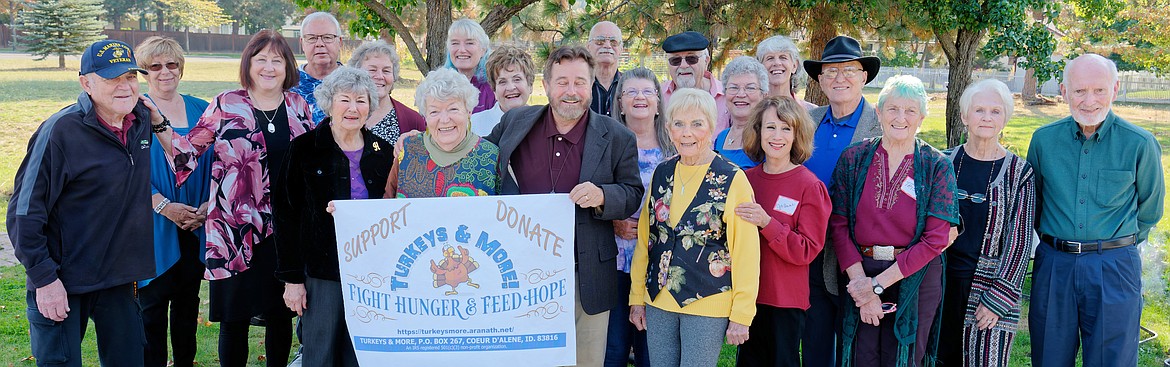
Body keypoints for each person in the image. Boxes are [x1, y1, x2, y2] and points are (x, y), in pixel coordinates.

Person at [151, 30, 311, 367]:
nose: (269, 67)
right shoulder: (227, 103)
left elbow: (314, 161)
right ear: (248, 64)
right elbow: (186, 153)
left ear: (288, 66)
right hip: (232, 231)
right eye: (261, 59)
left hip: (285, 230)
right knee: (234, 319)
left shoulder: (298, 105)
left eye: (277, 60)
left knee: (280, 315)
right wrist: (158, 123)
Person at [484, 45, 643, 367]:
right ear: (545, 85)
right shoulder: (516, 122)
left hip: (584, 275)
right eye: (562, 82)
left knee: (585, 361)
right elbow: (477, 159)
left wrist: (603, 195)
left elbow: (632, 192)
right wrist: (421, 140)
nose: (571, 92)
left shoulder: (617, 136)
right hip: (520, 275)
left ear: (591, 83)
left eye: (580, 82)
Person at [8, 39, 153, 367]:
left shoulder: (140, 118)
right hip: (63, 278)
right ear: (86, 83)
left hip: (117, 277)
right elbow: (23, 213)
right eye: (111, 78)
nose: (124, 86)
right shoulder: (60, 132)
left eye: (130, 77)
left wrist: (158, 121)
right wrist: (45, 280)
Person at [1027, 54, 1165, 367]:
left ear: (1115, 90)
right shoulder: (1043, 141)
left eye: (1099, 90)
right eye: (1079, 91)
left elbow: (1150, 210)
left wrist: (1113, 243)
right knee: (1049, 357)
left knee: (1111, 360)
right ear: (1063, 91)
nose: (1089, 101)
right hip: (1054, 265)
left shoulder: (1140, 143)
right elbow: (1033, 204)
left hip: (1114, 267)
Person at [829, 75, 957, 366]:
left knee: (904, 356)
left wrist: (877, 286)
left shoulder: (936, 165)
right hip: (858, 271)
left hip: (916, 276)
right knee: (861, 355)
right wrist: (862, 285)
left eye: (910, 111)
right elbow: (838, 224)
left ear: (922, 117)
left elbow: (936, 238)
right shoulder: (854, 158)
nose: (901, 118)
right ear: (879, 112)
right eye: (892, 109)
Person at [628, 88, 760, 367]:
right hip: (658, 301)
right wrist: (637, 297)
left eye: (697, 124)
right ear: (668, 129)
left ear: (712, 128)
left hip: (707, 301)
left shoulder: (733, 179)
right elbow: (646, 241)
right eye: (679, 124)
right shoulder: (661, 173)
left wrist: (742, 313)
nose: (687, 133)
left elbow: (746, 253)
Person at [276, 66, 393, 367]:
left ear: (371, 106)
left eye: (361, 100)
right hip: (322, 273)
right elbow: (285, 215)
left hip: (372, 275)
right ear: (329, 102)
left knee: (362, 354)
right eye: (345, 100)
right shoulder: (304, 149)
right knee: (320, 354)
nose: (353, 108)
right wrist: (292, 280)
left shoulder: (385, 152)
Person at [935, 79, 1035, 367]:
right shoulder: (942, 162)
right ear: (965, 116)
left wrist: (999, 299)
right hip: (938, 283)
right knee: (932, 358)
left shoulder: (1019, 173)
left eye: (995, 111)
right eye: (979, 110)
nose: (987, 118)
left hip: (988, 289)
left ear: (1005, 119)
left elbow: (1020, 242)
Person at [799, 35, 883, 367]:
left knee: (856, 345)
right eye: (831, 71)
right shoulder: (808, 122)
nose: (839, 78)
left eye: (849, 70)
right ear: (819, 79)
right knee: (815, 341)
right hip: (809, 251)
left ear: (864, 76)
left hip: (857, 256)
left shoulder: (881, 126)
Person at [734, 96, 831, 367]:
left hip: (785, 300)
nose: (777, 136)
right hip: (747, 296)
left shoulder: (809, 186)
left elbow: (807, 250)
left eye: (786, 128)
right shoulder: (745, 180)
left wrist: (768, 223)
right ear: (758, 132)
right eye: (770, 128)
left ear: (796, 135)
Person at [135, 36, 212, 367]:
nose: (165, 72)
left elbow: (221, 163)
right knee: (150, 310)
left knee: (187, 307)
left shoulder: (203, 109)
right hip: (152, 224)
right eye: (155, 66)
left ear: (181, 68)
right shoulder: (134, 113)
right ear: (144, 72)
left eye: (172, 64)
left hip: (196, 222)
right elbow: (124, 170)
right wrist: (163, 205)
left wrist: (209, 206)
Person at [602, 67, 674, 367]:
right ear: (620, 102)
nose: (639, 98)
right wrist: (612, 220)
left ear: (658, 101)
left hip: (659, 264)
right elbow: (592, 195)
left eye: (647, 91)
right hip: (617, 260)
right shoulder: (605, 145)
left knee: (651, 352)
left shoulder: (674, 148)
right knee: (615, 348)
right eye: (631, 92)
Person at [387, 68, 500, 197]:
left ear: (469, 112)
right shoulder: (407, 149)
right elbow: (388, 203)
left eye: (453, 109)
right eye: (434, 111)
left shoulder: (491, 156)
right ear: (425, 116)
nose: (445, 120)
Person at [347, 40, 425, 145]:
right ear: (356, 74)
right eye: (372, 70)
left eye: (386, 71)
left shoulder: (413, 120)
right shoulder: (341, 115)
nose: (380, 76)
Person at [661, 31, 730, 132]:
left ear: (706, 61)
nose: (683, 65)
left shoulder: (727, 95)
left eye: (691, 59)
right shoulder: (657, 97)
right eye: (675, 60)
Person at [714, 56, 769, 169]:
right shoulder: (721, 137)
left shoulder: (767, 138)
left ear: (764, 95)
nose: (741, 94)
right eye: (733, 88)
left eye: (750, 88)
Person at [470, 44, 535, 137]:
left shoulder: (543, 124)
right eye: (502, 82)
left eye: (517, 79)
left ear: (530, 85)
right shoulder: (474, 125)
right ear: (494, 90)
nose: (511, 87)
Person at [291, 12, 345, 124]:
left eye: (327, 37)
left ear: (339, 42)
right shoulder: (287, 82)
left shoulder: (355, 83)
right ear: (302, 43)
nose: (319, 44)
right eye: (312, 38)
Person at [444, 18, 496, 113]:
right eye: (455, 43)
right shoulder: (440, 86)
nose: (462, 50)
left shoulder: (494, 87)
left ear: (483, 50)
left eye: (469, 43)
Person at [755, 35, 817, 110]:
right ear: (760, 67)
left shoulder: (812, 112)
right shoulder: (751, 111)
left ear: (794, 66)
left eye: (783, 57)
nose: (777, 63)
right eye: (770, 58)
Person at [588, 21, 624, 117]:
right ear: (588, 47)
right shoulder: (579, 86)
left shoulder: (629, 86)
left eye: (613, 42)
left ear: (621, 49)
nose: (607, 46)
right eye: (600, 41)